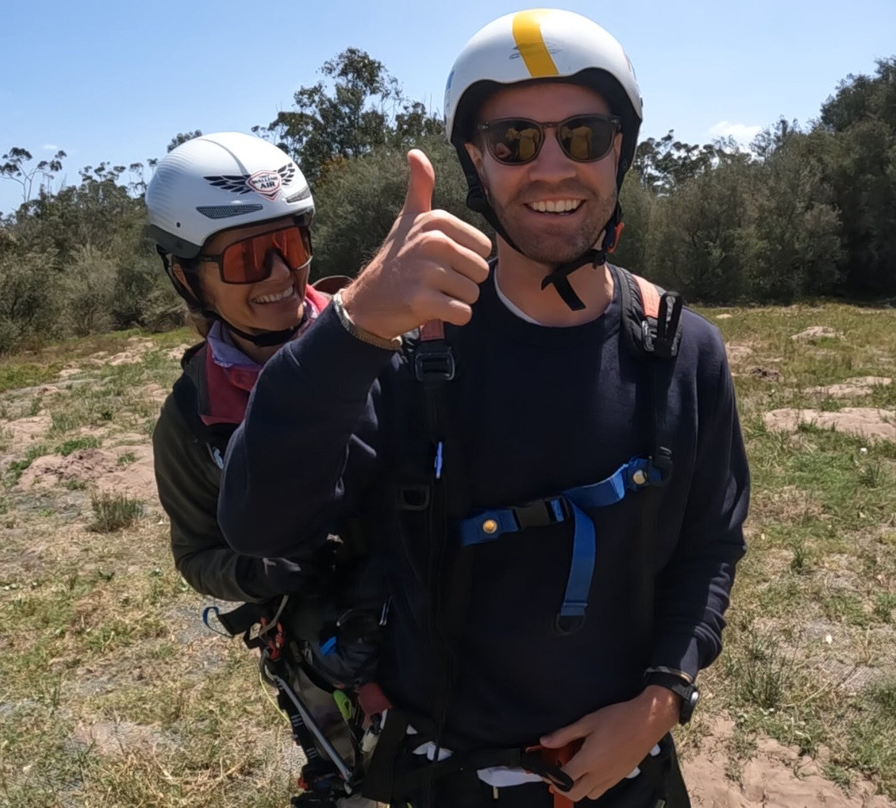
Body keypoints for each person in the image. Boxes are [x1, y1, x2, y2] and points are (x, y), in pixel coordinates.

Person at [218, 10, 750, 808]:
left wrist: (664, 696)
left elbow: (710, 545)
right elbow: (260, 526)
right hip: (445, 773)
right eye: (512, 143)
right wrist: (352, 327)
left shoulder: (682, 353)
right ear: (474, 159)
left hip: (628, 769)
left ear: (621, 150)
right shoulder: (403, 354)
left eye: (582, 136)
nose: (550, 168)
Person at [146, 131, 377, 807]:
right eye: (248, 258)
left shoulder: (388, 339)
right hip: (319, 644)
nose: (282, 275)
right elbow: (196, 551)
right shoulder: (193, 419)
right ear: (188, 276)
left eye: (293, 245)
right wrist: (260, 572)